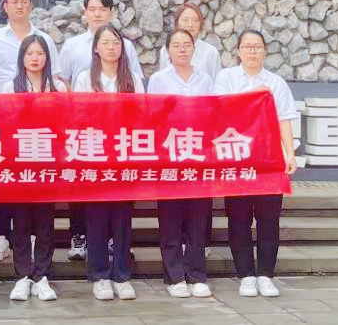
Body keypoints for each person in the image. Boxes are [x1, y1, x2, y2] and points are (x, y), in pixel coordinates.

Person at [54, 0, 140, 261]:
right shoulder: (72, 46)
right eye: (92, 9)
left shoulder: (126, 46)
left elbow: (135, 90)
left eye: (103, 9)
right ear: (85, 13)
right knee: (84, 187)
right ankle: (80, 236)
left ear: (111, 13)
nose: (97, 13)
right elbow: (64, 82)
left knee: (119, 191)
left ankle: (118, 240)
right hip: (88, 135)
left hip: (121, 139)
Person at [213, 30, 299, 299]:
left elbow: (284, 119)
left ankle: (265, 274)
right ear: (238, 51)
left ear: (265, 51)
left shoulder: (276, 82)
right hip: (236, 158)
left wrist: (290, 153)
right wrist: (255, 95)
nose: (252, 51)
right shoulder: (226, 78)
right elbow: (221, 109)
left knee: (268, 219)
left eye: (257, 47)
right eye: (247, 46)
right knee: (238, 218)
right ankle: (246, 275)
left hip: (268, 159)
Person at [0, 0, 61, 262]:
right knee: (7, 184)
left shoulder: (44, 39)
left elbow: (57, 78)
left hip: (43, 137)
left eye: (24, 1)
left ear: (31, 6)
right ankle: (2, 236)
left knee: (39, 197)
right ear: (5, 6)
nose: (19, 6)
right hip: (9, 124)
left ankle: (37, 247)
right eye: (14, 2)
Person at [71, 25, 140, 301]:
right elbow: (78, 114)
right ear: (96, 48)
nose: (111, 47)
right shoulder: (85, 78)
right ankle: (99, 276)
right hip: (95, 155)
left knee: (122, 217)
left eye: (116, 43)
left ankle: (121, 275)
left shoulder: (132, 78)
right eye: (106, 42)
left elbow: (142, 114)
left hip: (124, 155)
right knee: (97, 217)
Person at [148, 29, 215, 299]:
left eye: (187, 45)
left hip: (198, 157)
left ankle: (197, 275)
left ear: (194, 49)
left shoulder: (205, 79)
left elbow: (212, 114)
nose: (182, 50)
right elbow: (151, 117)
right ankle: (174, 276)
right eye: (176, 45)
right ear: (168, 50)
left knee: (197, 219)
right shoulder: (158, 80)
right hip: (169, 157)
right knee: (171, 219)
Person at [7, 34, 59, 302]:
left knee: (45, 221)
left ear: (47, 58)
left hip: (48, 163)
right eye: (30, 54)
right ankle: (22, 275)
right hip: (20, 163)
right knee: (21, 221)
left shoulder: (57, 88)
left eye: (39, 53)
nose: (35, 58)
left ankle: (42, 275)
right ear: (22, 58)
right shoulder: (10, 87)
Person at [159, 4, 222, 79]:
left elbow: (216, 82)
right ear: (177, 23)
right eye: (185, 20)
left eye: (195, 20)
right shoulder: (166, 50)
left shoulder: (211, 52)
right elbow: (162, 80)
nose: (190, 24)